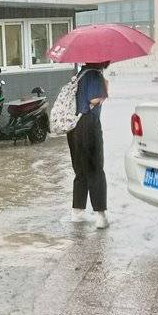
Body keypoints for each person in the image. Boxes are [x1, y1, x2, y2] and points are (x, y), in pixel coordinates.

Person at [67, 61, 109, 228]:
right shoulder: (95, 74)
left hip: (73, 127)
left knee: (80, 171)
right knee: (96, 169)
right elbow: (93, 99)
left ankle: (77, 213)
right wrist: (105, 91)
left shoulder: (80, 74)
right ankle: (100, 217)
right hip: (89, 125)